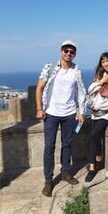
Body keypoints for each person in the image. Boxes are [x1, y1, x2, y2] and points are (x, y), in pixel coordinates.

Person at [35, 40, 87, 197]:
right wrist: (39, 108)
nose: (68, 54)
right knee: (49, 147)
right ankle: (48, 181)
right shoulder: (49, 67)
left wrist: (81, 112)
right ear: (61, 51)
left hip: (69, 114)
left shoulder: (76, 70)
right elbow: (39, 88)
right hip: (51, 113)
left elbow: (80, 92)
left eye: (71, 52)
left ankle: (65, 172)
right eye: (66, 51)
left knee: (67, 145)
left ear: (75, 54)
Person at [85, 52, 108, 182]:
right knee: (92, 138)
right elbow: (90, 91)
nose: (106, 63)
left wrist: (100, 108)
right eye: (103, 61)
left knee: (93, 135)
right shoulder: (100, 76)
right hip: (95, 114)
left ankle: (99, 154)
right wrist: (102, 81)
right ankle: (92, 167)